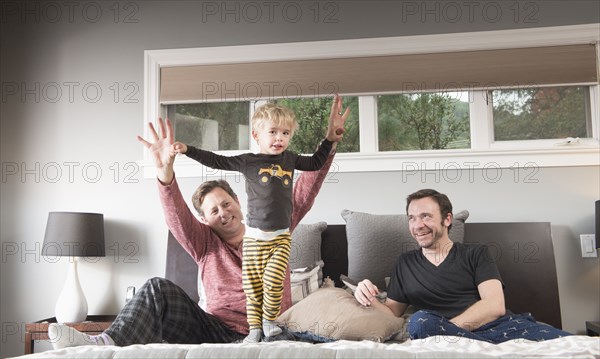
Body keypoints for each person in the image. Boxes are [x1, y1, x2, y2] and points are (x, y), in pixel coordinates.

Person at [47, 96, 348, 349]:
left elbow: (305, 191)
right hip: (214, 331)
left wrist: (330, 143)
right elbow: (175, 215)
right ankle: (97, 347)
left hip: (271, 333)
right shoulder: (203, 241)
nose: (223, 212)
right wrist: (165, 173)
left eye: (226, 203)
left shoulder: (275, 223)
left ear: (240, 204)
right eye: (213, 210)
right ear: (204, 219)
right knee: (155, 288)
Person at [172, 100, 348, 342]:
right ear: (256, 135)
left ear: (236, 200)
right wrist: (187, 150)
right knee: (253, 287)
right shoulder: (248, 162)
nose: (279, 138)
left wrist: (330, 139)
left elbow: (315, 165)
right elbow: (216, 160)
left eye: (285, 133)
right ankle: (256, 329)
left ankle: (270, 321)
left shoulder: (290, 159)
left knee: (272, 278)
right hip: (254, 241)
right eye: (273, 132)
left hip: (279, 238)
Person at [354, 188, 573, 344]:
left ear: (447, 219)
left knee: (574, 344)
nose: (418, 225)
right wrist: (368, 296)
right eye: (412, 218)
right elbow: (393, 313)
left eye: (426, 216)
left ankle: (477, 346)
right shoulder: (405, 263)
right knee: (419, 323)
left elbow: (495, 305)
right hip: (430, 329)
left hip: (499, 328)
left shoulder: (476, 253)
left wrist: (449, 333)